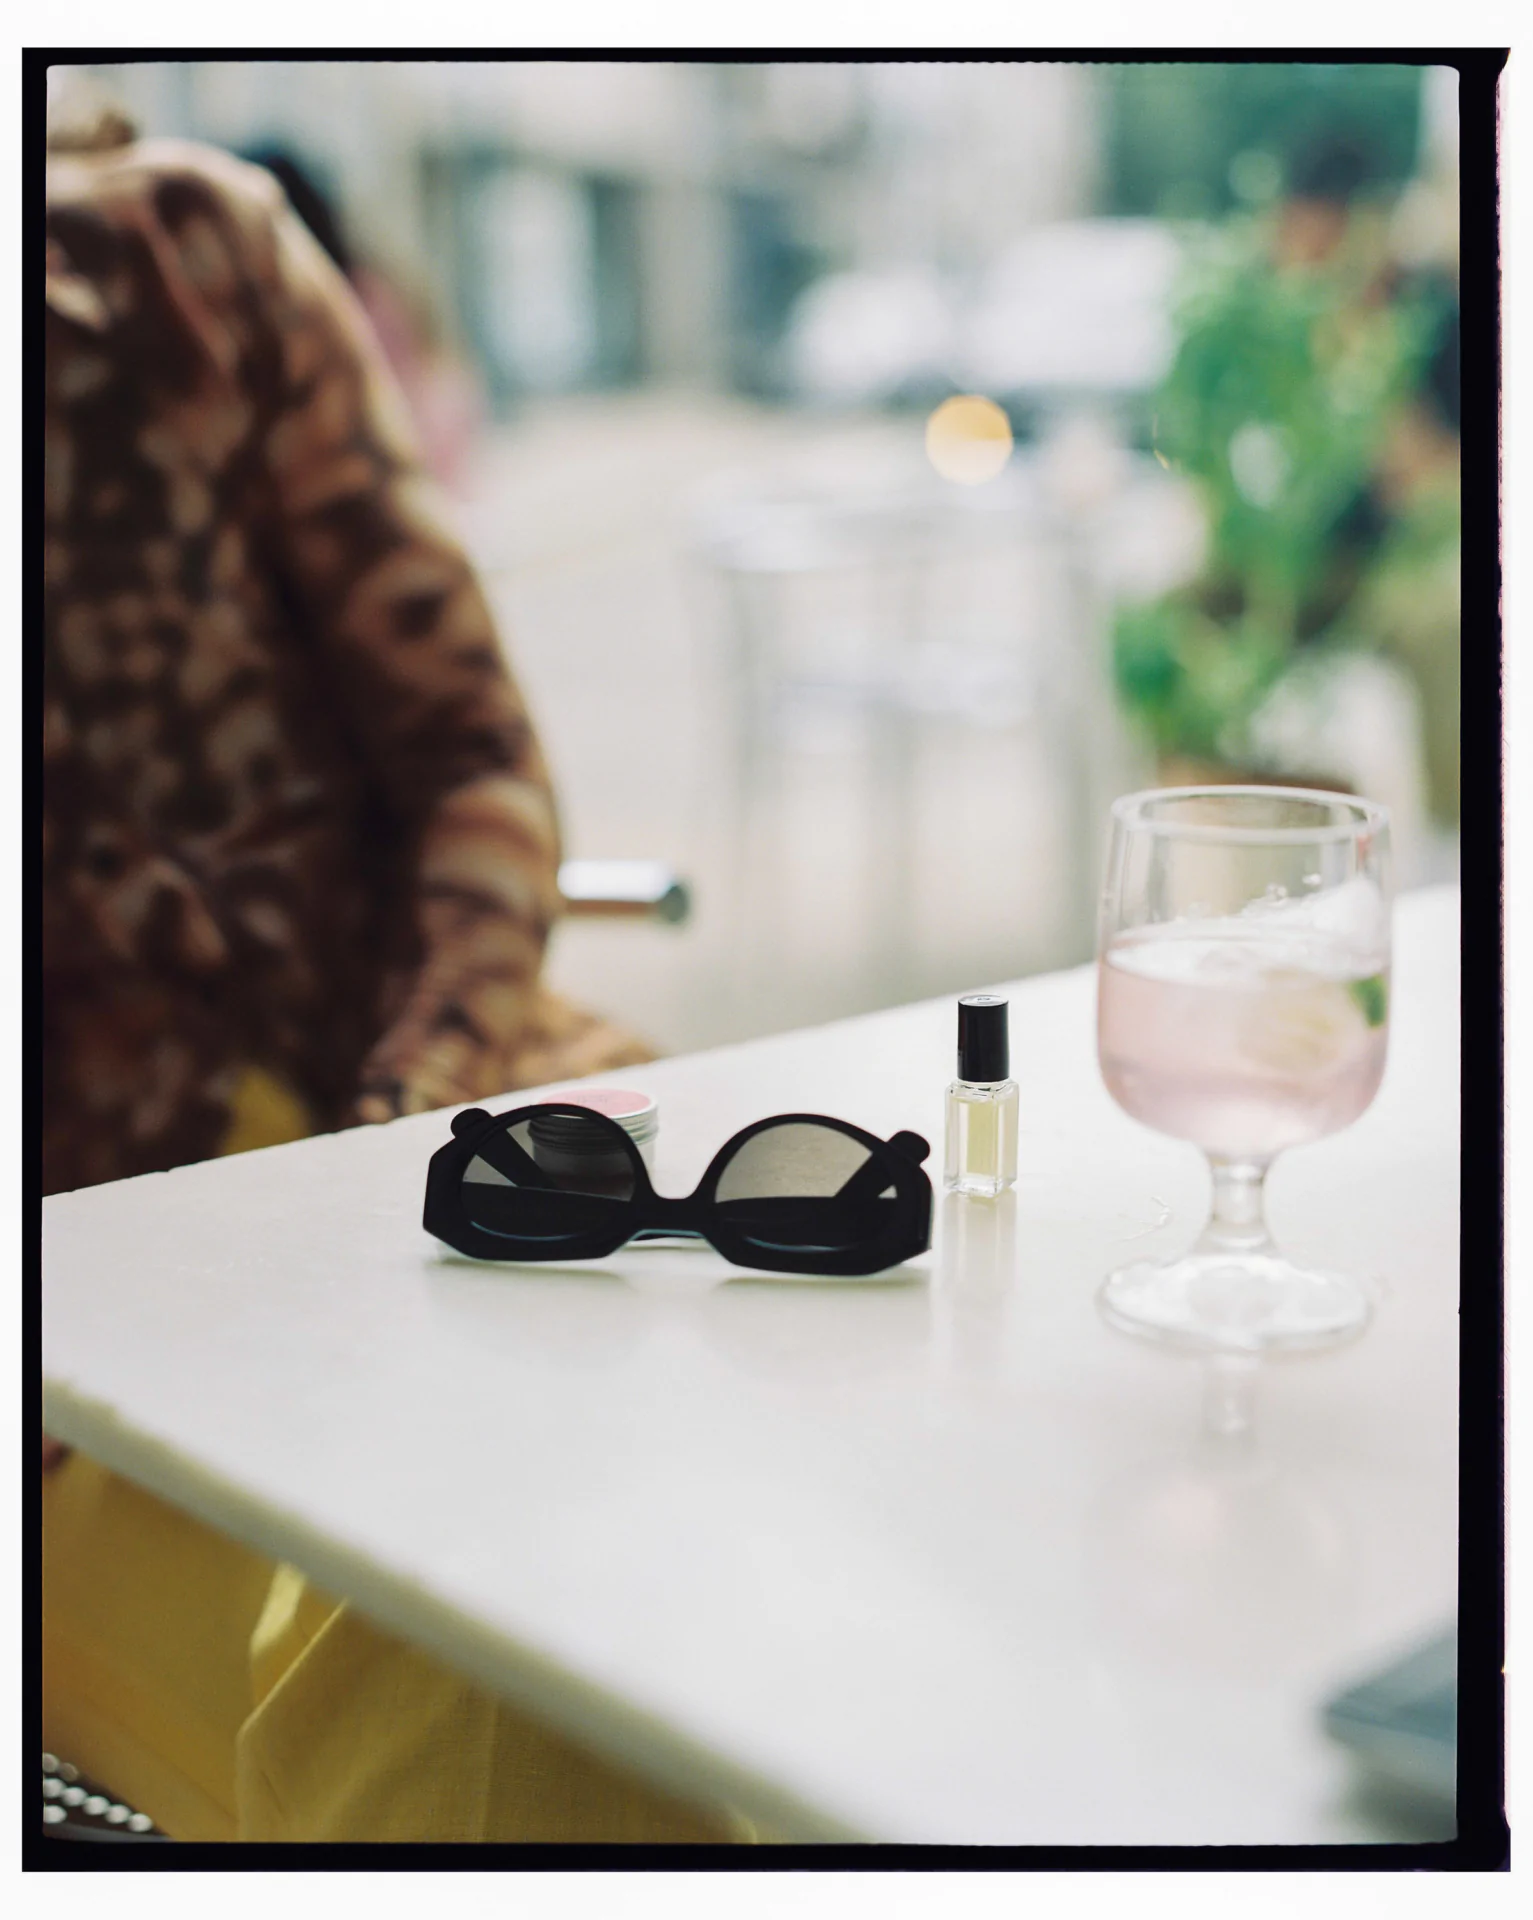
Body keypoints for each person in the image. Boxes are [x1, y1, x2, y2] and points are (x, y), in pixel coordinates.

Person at [42, 85, 747, 1843]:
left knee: (699, 1510)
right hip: (76, 1376)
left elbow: (472, 763)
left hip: (415, 1139)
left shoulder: (171, 251)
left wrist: (400, 1130)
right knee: (486, 1670)